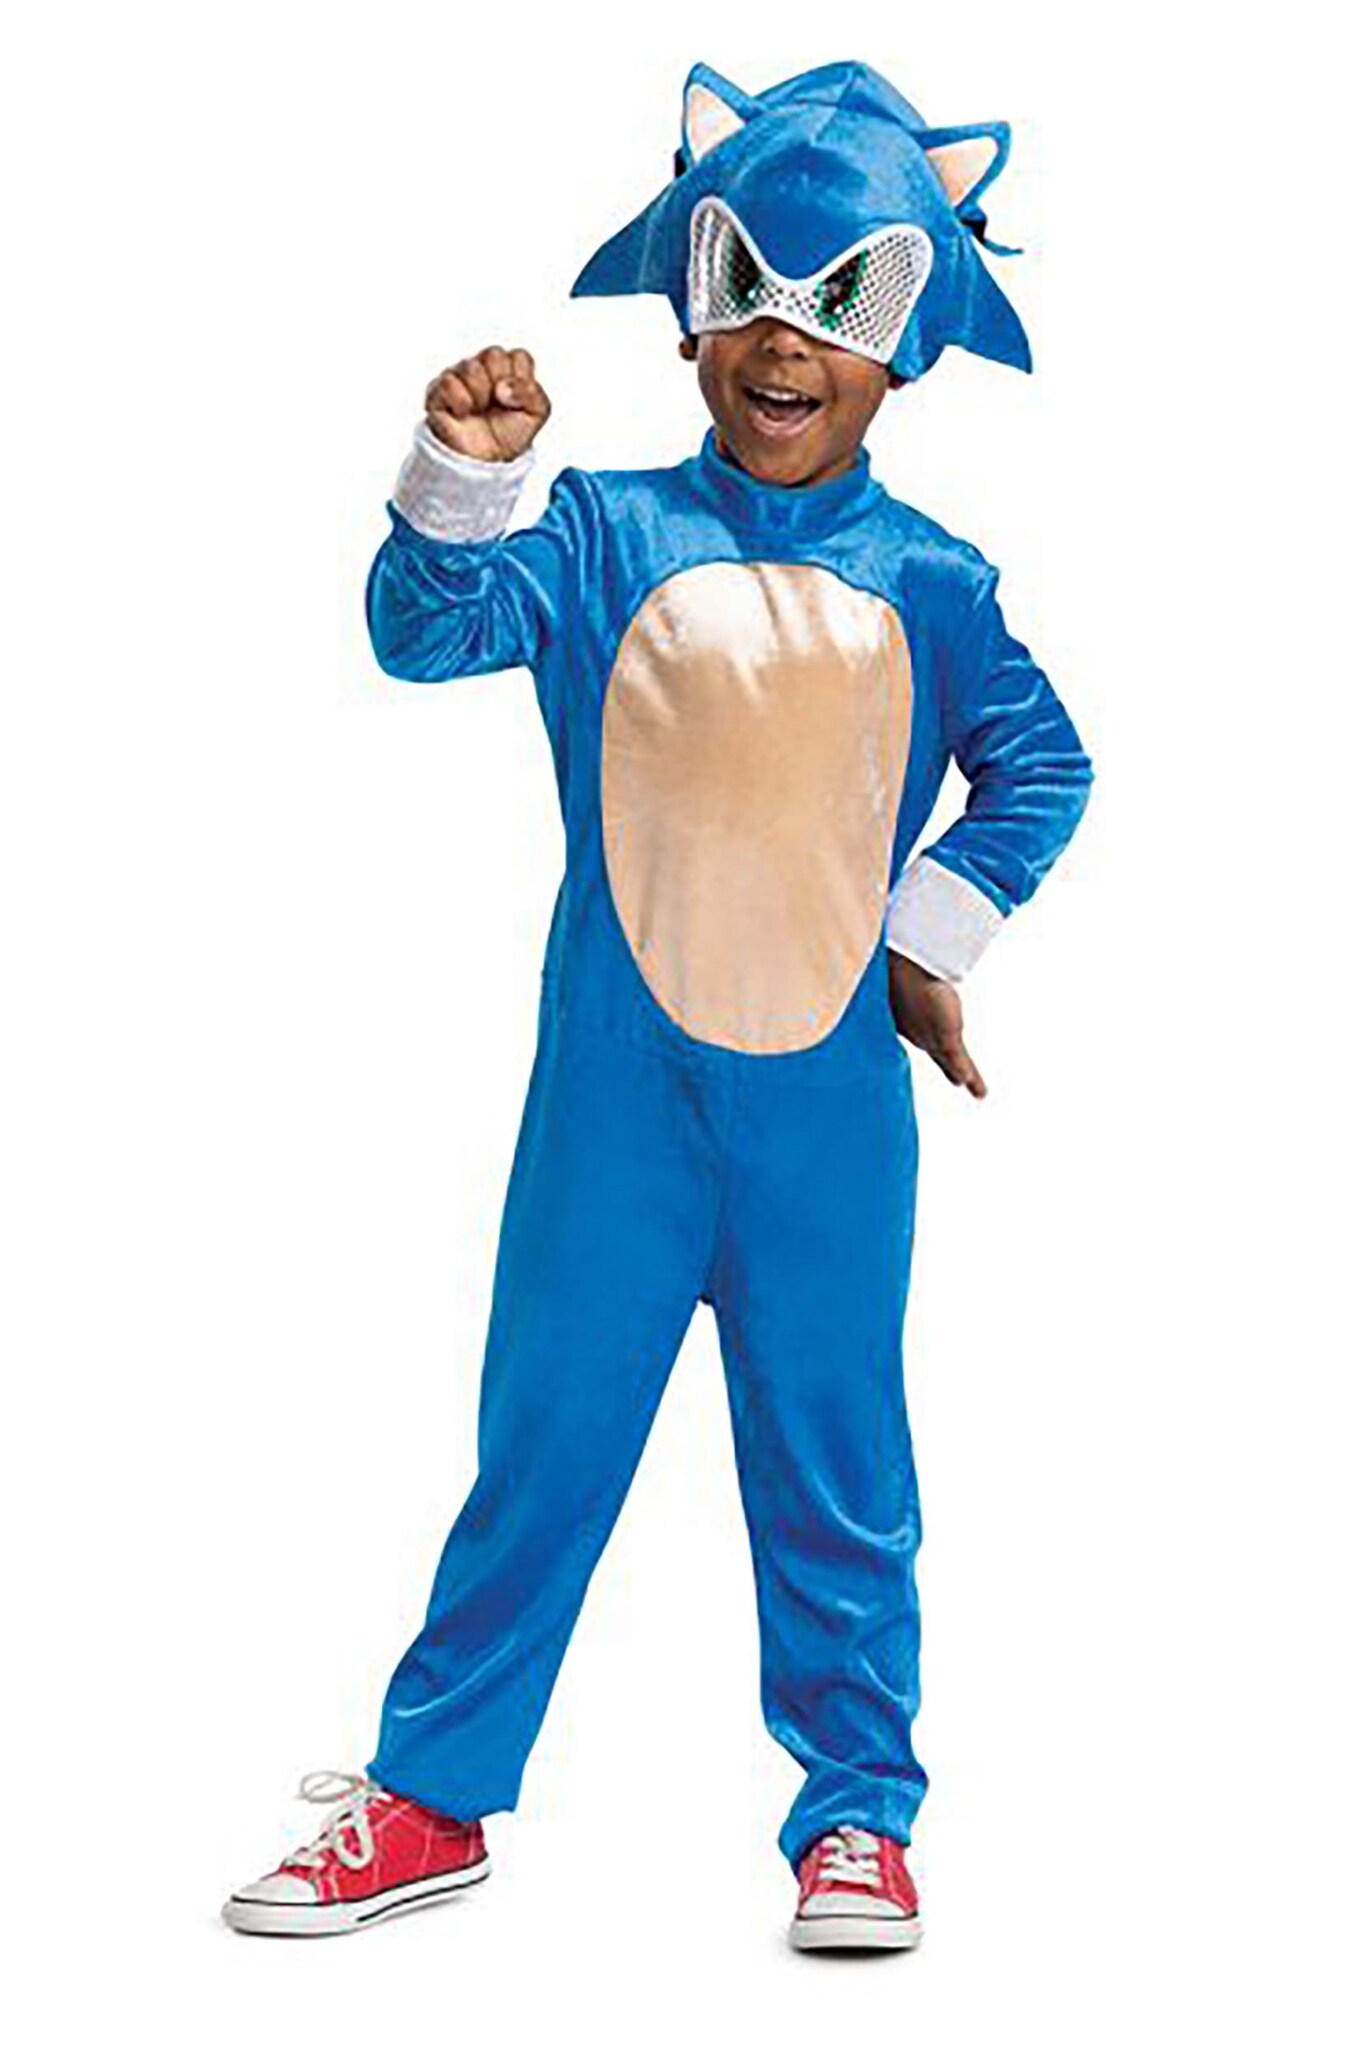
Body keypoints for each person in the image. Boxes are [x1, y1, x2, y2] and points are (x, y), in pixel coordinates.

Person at [223, 58, 1093, 1952]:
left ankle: (856, 1814)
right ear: (691, 317)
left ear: (908, 343)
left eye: (841, 302)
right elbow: (423, 630)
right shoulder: (601, 533)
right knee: (542, 1446)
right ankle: (432, 1793)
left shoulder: (934, 581)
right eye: (747, 290)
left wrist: (926, 935)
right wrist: (465, 474)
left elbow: (1046, 764)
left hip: (825, 1122)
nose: (787, 340)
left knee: (839, 1464)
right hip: (612, 1106)